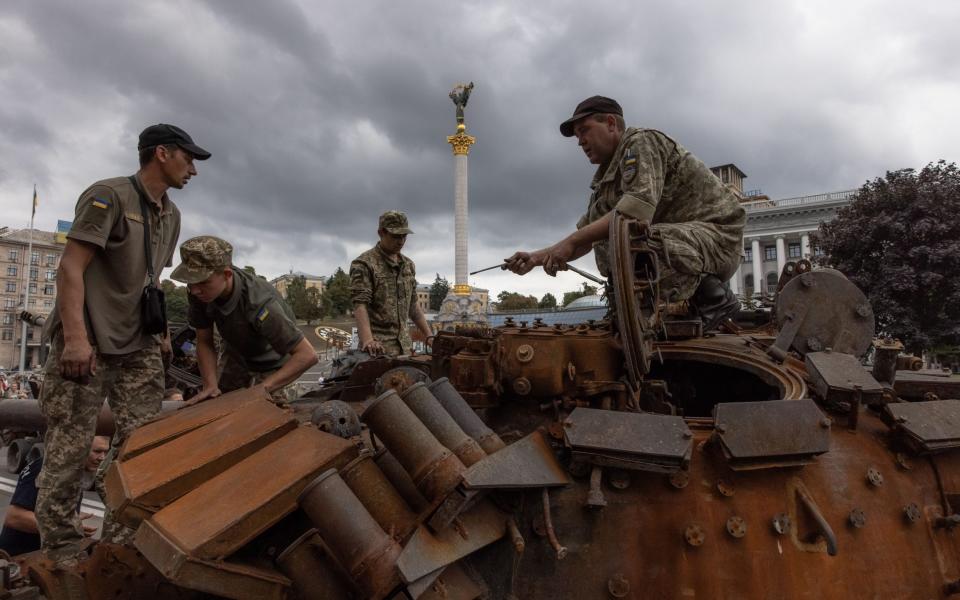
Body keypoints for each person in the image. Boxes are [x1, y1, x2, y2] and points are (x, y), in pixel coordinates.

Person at [36, 123, 210, 563]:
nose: (193, 169)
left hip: (137, 343)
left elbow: (149, 278)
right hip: (88, 340)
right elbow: (70, 269)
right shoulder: (108, 196)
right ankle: (62, 549)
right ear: (162, 154)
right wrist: (75, 339)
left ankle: (118, 542)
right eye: (188, 159)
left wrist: (164, 335)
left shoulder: (171, 215)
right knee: (71, 446)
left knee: (143, 445)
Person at [505, 96, 746, 330]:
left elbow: (635, 213)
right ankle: (644, 311)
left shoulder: (641, 142)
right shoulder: (605, 180)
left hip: (719, 239)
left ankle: (715, 298)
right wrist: (535, 258)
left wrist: (571, 242)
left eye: (585, 130)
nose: (580, 142)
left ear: (611, 123)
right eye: (577, 136)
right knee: (609, 237)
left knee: (633, 235)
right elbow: (583, 240)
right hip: (689, 242)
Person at [171, 236, 318, 405]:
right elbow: (204, 340)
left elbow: (307, 356)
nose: (195, 290)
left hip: (273, 362)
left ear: (226, 274)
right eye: (190, 282)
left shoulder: (260, 302)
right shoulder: (198, 292)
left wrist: (261, 390)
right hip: (236, 354)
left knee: (267, 413)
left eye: (203, 282)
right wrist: (210, 386)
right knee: (219, 405)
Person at [0, 436, 110, 556]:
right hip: (19, 560)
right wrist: (67, 527)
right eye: (97, 451)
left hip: (44, 557)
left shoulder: (75, 474)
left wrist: (70, 518)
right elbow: (15, 517)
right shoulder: (46, 468)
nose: (102, 458)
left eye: (106, 452)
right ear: (79, 448)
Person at [349, 211, 433, 356]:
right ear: (381, 233)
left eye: (404, 236)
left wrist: (429, 336)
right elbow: (359, 305)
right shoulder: (364, 264)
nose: (400, 241)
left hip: (405, 350)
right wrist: (368, 341)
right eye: (395, 236)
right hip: (377, 351)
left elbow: (413, 306)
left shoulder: (408, 265)